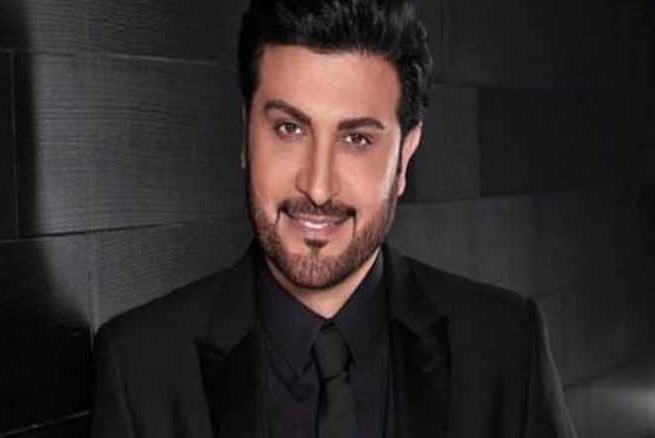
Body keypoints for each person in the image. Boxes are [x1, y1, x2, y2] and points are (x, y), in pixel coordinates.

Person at [90, 0, 576, 437]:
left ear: (404, 158)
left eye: (357, 139)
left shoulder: (506, 347)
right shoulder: (140, 367)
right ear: (246, 134)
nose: (318, 187)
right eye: (289, 128)